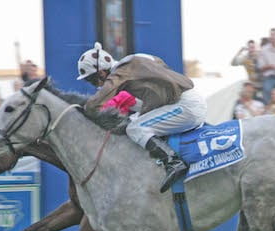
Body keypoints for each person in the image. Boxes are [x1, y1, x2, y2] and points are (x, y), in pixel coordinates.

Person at [78, 42, 206, 193]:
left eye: (92, 80)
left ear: (101, 73)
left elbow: (93, 105)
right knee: (132, 122)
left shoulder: (120, 71)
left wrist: (82, 111)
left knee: (135, 128)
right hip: (189, 100)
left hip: (185, 106)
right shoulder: (138, 58)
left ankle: (173, 162)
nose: (95, 85)